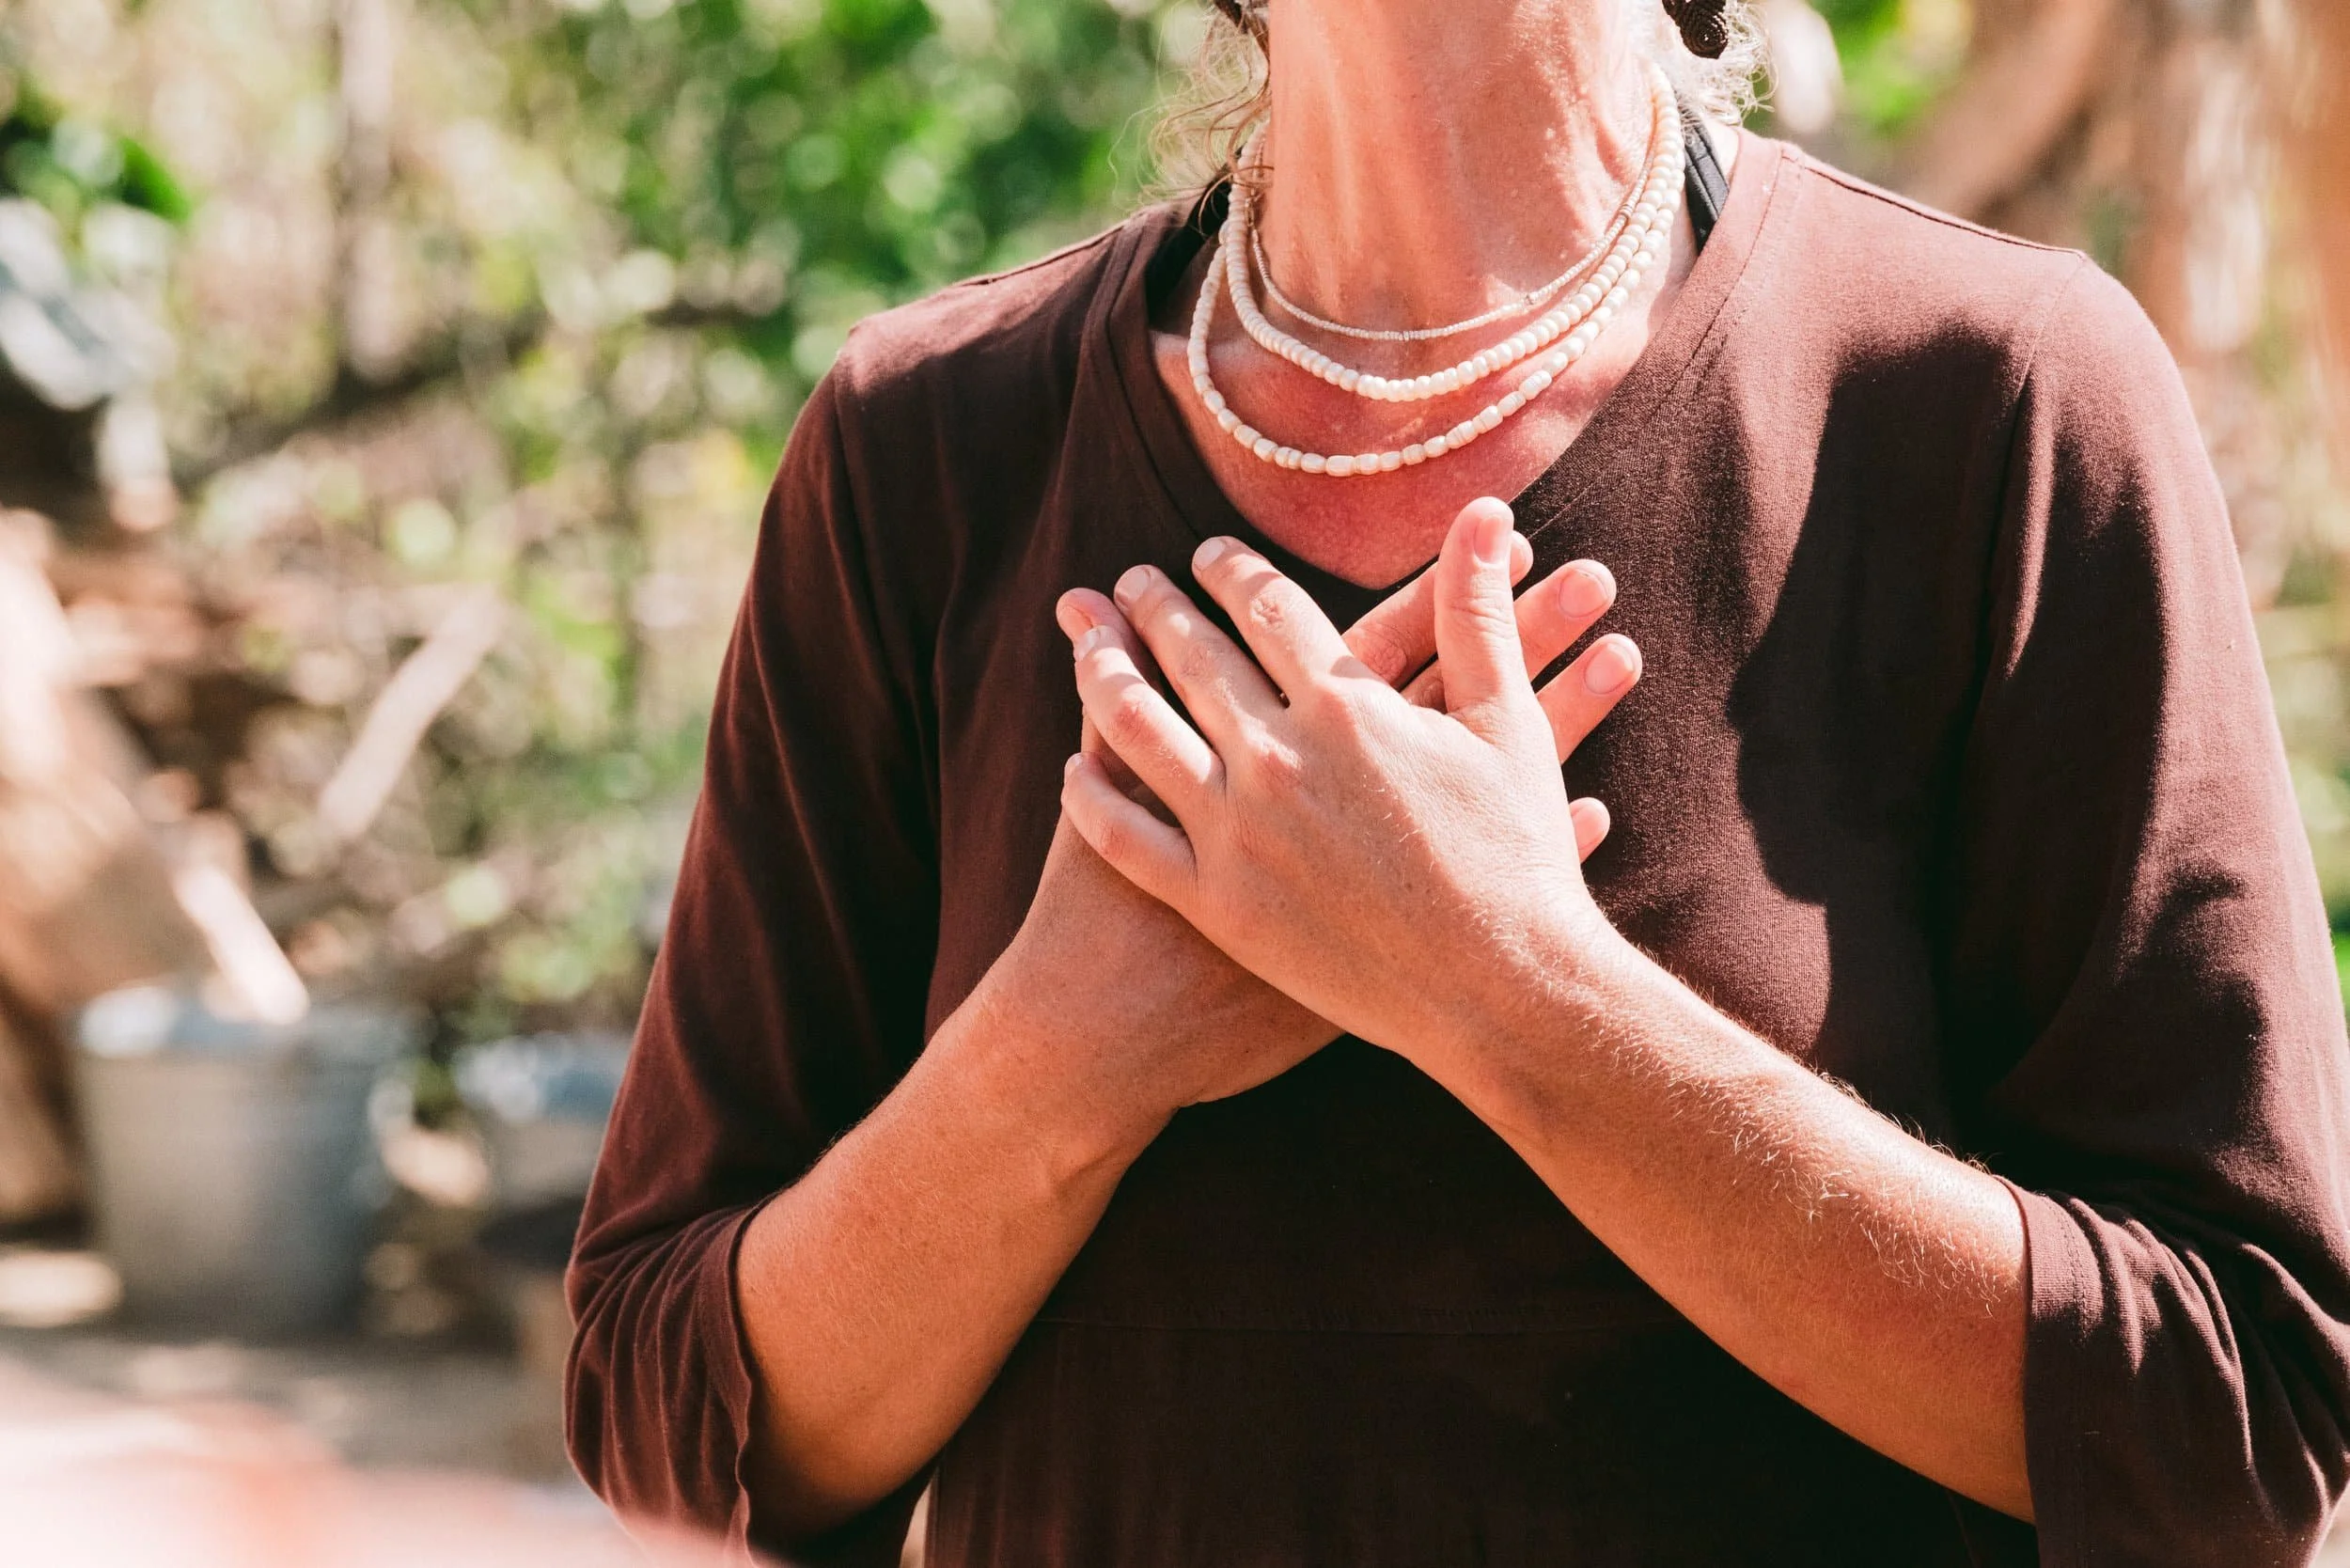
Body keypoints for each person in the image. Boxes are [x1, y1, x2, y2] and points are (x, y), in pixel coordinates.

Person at [565, 0, 2350, 1560]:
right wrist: (1058, 1059)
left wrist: (1508, 992)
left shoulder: (1991, 404)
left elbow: (2240, 1426)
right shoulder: (923, 448)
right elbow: (672, 1435)